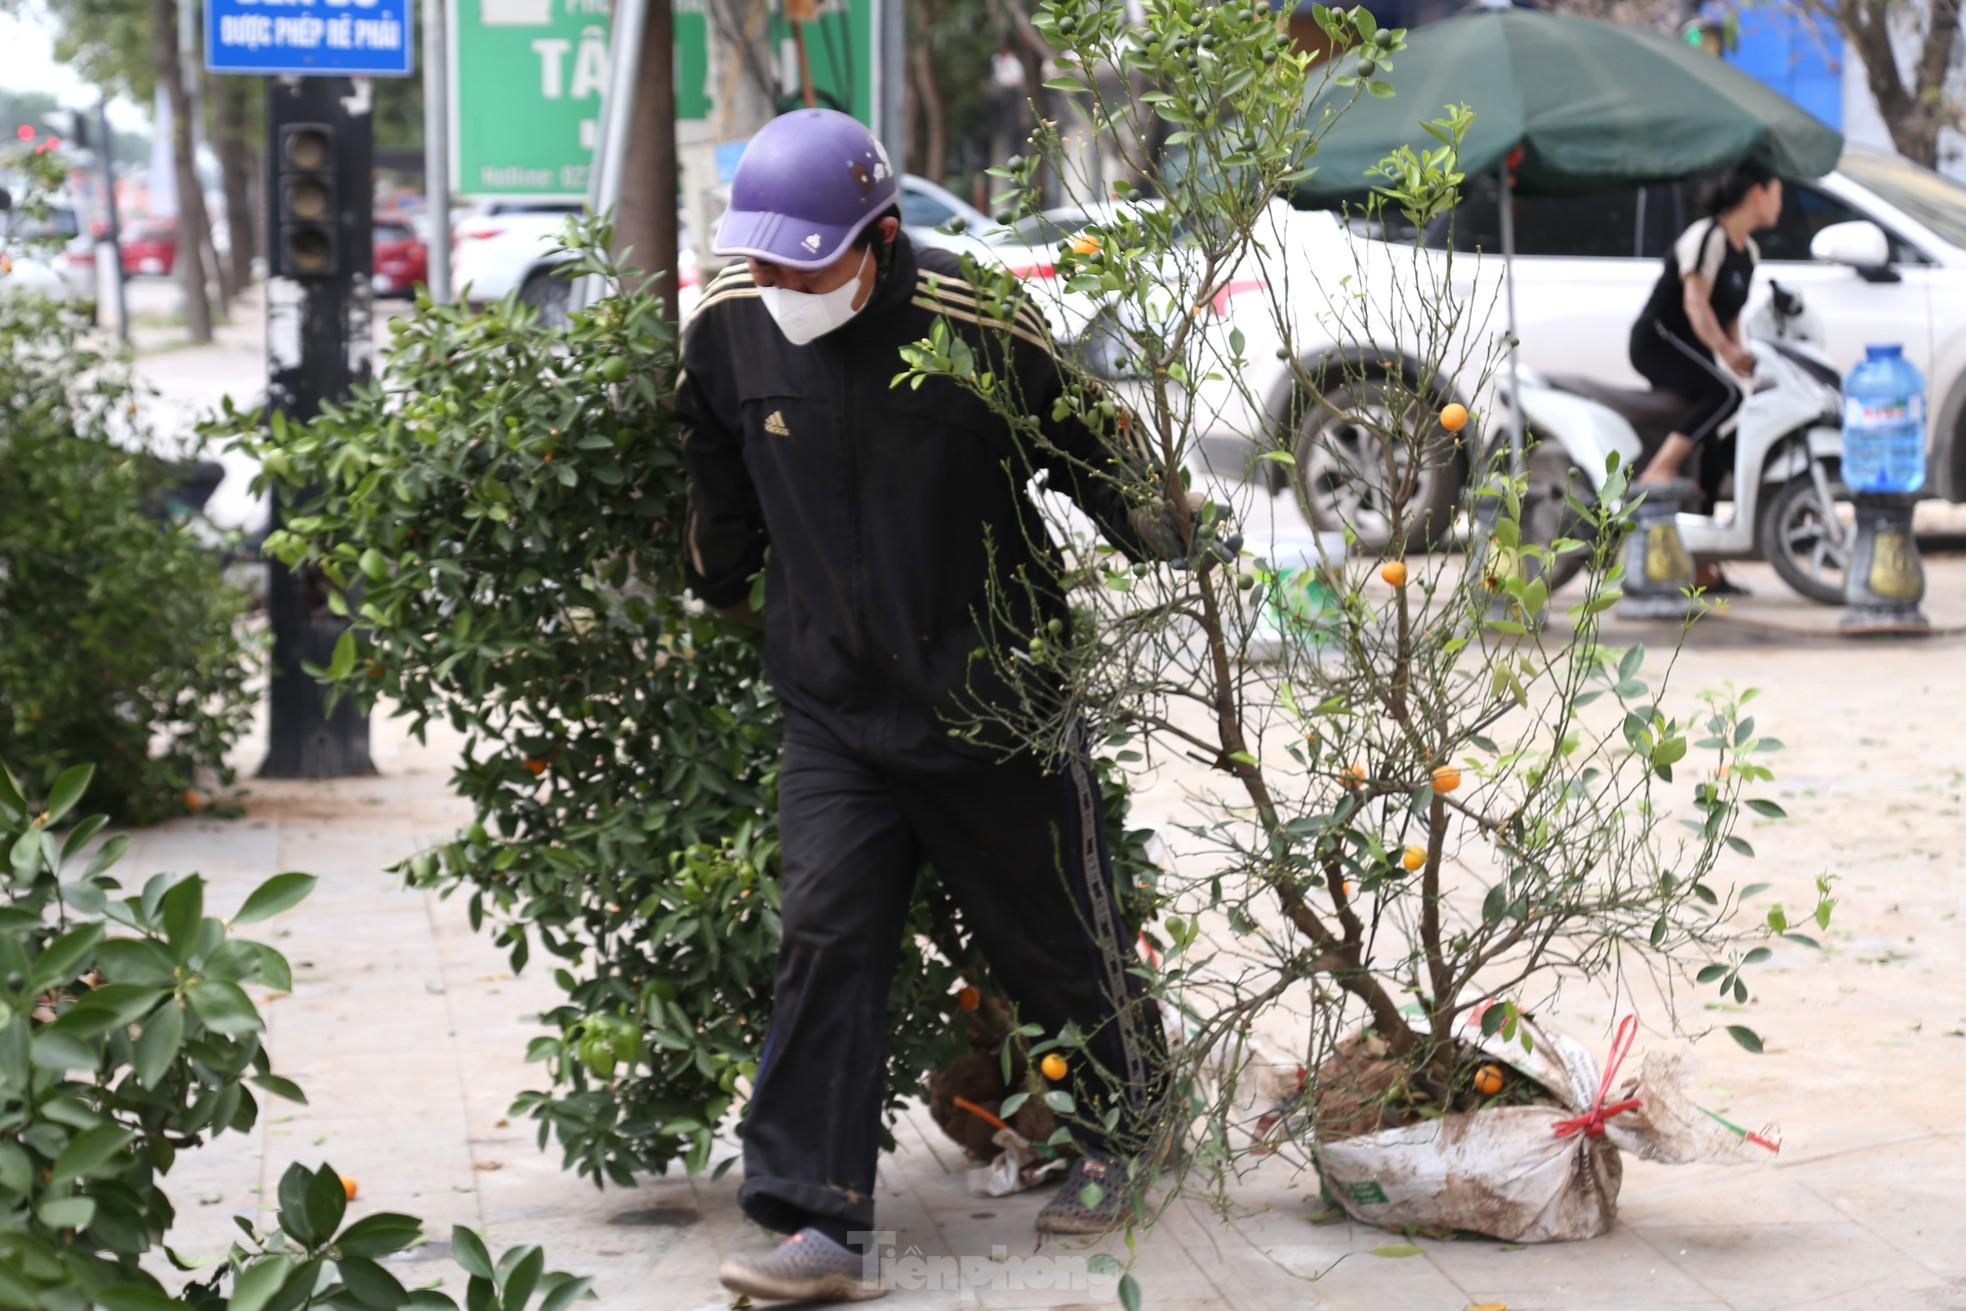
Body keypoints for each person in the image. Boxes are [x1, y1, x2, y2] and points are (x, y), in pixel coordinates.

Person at [678, 109, 1194, 1304]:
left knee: (1057, 936)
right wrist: (720, 572)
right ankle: (812, 1218)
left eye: (806, 262)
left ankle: (1133, 1129)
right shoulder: (730, 324)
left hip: (991, 697)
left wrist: (1172, 535)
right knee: (825, 933)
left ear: (880, 236)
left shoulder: (979, 320)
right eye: (764, 258)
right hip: (837, 708)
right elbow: (713, 453)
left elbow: (1088, 445)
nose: (781, 282)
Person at [1627, 162, 1785, 591]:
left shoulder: (1747, 252)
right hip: (1659, 340)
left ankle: (1700, 565)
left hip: (1695, 348)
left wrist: (1743, 358)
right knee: (1723, 395)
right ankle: (1657, 472)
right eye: (1777, 193)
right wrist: (1728, 356)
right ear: (1757, 193)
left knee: (1715, 454)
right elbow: (1696, 305)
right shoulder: (1706, 237)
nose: (1780, 204)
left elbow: (1729, 315)